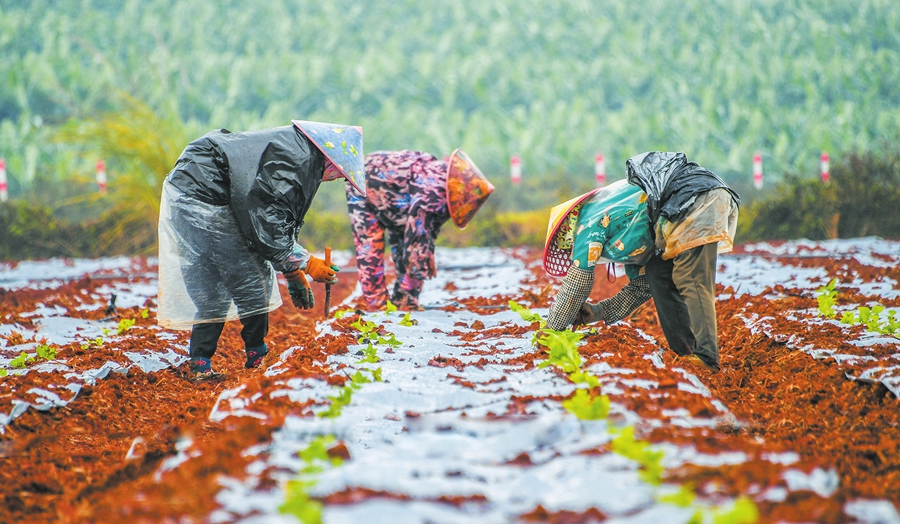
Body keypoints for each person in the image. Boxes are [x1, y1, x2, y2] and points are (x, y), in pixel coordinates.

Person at [157, 120, 365, 381]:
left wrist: (292, 271)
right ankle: (257, 358)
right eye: (339, 174)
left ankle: (200, 363)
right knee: (252, 281)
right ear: (332, 160)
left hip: (186, 192)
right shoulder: (299, 158)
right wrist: (307, 264)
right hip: (210, 195)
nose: (335, 178)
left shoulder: (292, 147)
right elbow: (267, 217)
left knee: (212, 286)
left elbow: (275, 215)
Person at [544, 151, 740, 371]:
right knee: (658, 273)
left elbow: (576, 284)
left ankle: (706, 358)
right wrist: (597, 313)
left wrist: (551, 331)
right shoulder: (622, 230)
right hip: (682, 204)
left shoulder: (587, 225)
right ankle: (686, 352)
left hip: (694, 199)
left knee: (691, 278)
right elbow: (642, 286)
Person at [347, 149, 494, 310]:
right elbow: (417, 239)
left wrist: (425, 258)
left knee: (405, 246)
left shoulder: (445, 186)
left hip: (398, 198)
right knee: (370, 247)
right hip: (363, 182)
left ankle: (400, 300)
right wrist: (413, 278)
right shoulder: (433, 192)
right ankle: (377, 306)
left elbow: (426, 233)